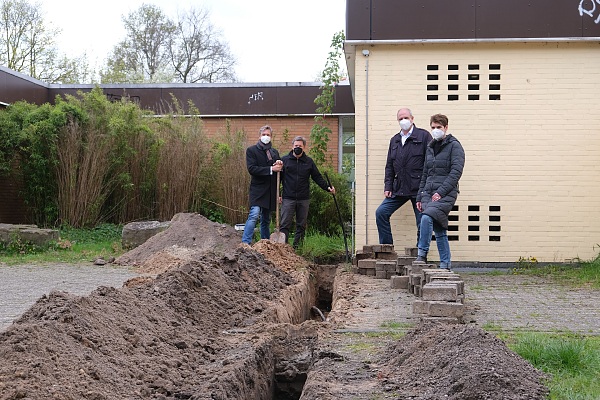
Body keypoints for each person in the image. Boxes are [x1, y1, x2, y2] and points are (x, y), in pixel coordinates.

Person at [375, 107, 432, 245]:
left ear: (412, 119)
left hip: (419, 189)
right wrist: (388, 186)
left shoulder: (424, 136)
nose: (403, 121)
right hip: (399, 188)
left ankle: (421, 253)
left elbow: (431, 163)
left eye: (406, 118)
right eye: (400, 119)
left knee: (422, 221)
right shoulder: (394, 140)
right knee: (381, 213)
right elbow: (389, 166)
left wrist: (428, 188)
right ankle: (386, 248)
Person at [415, 114, 465, 270]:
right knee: (439, 227)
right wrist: (419, 196)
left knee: (426, 218)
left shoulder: (454, 146)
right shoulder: (430, 147)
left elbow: (456, 172)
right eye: (433, 128)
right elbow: (425, 173)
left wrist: (441, 192)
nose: (436, 130)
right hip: (428, 193)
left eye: (439, 127)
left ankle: (421, 254)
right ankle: (445, 263)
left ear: (446, 128)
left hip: (446, 193)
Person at [280, 136, 335, 248]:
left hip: (303, 198)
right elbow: (278, 179)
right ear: (292, 146)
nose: (297, 148)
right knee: (285, 224)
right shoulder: (284, 161)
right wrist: (277, 194)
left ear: (304, 147)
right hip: (288, 198)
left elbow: (317, 177)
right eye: (296, 146)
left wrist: (327, 187)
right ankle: (283, 248)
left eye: (300, 146)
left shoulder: (308, 162)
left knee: (301, 225)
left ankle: (297, 248)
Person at [241, 125, 283, 245]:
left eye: (268, 135)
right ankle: (245, 243)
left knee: (266, 219)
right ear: (259, 136)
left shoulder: (274, 152)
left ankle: (265, 244)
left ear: (271, 137)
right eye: (264, 134)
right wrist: (271, 169)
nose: (266, 137)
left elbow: (278, 169)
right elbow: (252, 169)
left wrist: (279, 163)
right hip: (258, 189)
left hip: (270, 191)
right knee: (254, 215)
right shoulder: (252, 150)